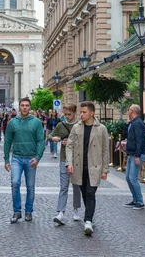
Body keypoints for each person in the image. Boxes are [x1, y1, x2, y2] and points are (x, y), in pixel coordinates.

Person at [65, 101, 110, 236]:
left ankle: (88, 220)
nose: (82, 115)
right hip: (79, 166)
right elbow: (69, 146)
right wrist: (69, 163)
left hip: (94, 167)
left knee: (90, 193)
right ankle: (89, 216)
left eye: (84, 112)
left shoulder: (101, 128)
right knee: (84, 192)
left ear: (92, 113)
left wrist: (105, 169)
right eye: (81, 112)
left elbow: (105, 151)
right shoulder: (76, 128)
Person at [4, 97, 45, 223]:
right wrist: (6, 159)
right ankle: (17, 212)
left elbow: (40, 141)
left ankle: (28, 211)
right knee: (15, 183)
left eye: (27, 105)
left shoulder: (36, 122)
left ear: (30, 107)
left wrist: (38, 157)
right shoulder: (12, 122)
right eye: (22, 105)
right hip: (16, 157)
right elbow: (7, 141)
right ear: (19, 107)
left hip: (31, 158)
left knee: (30, 186)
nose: (25, 107)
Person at [48, 103, 82, 224]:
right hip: (64, 158)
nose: (67, 116)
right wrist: (55, 139)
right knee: (63, 186)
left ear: (74, 113)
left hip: (77, 159)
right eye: (65, 114)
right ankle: (61, 212)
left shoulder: (80, 125)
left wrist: (71, 143)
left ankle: (76, 210)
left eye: (69, 114)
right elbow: (50, 136)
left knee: (77, 186)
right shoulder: (61, 125)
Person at [124, 104, 145, 210]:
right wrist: (127, 123)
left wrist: (138, 155)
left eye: (129, 110)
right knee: (128, 178)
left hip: (136, 154)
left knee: (132, 178)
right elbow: (127, 135)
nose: (128, 111)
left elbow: (139, 140)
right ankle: (135, 199)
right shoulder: (133, 122)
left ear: (132, 111)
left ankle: (140, 201)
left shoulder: (138, 123)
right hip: (131, 154)